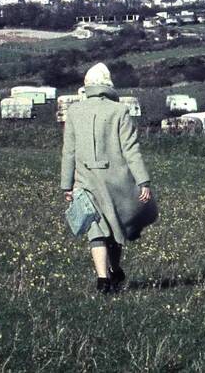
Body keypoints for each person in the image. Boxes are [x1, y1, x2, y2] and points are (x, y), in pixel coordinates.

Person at [60, 63, 158, 293]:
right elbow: (131, 150)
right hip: (116, 181)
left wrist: (66, 184)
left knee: (96, 228)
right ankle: (111, 273)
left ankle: (105, 278)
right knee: (114, 228)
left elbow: (69, 150)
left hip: (85, 180)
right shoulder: (120, 111)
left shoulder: (74, 111)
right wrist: (143, 181)